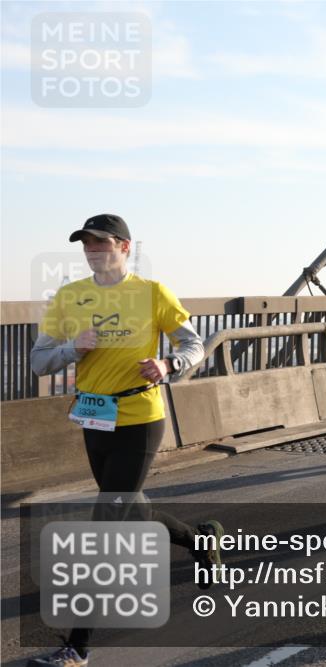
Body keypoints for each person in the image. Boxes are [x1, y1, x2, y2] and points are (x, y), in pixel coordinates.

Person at [28, 214, 223, 667]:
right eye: (86, 244)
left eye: (102, 243)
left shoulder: (152, 294)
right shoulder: (69, 297)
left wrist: (169, 365)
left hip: (140, 416)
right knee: (131, 510)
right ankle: (198, 540)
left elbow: (193, 345)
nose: (93, 250)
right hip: (96, 418)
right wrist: (72, 350)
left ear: (125, 247)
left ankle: (77, 645)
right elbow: (39, 363)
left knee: (106, 526)